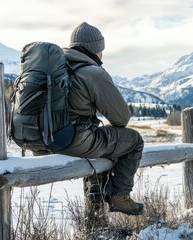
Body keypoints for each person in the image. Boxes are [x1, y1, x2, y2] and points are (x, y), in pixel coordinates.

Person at [56, 22, 144, 216]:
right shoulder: (92, 72)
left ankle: (96, 186)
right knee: (134, 140)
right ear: (96, 49)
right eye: (101, 50)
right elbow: (121, 119)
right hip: (71, 142)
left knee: (98, 136)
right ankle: (120, 196)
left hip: (42, 141)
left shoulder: (57, 69)